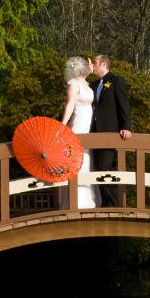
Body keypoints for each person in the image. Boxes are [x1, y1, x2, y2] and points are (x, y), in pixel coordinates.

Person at [89, 55, 132, 208]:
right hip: (94, 133)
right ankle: (105, 203)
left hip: (109, 132)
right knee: (98, 168)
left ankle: (114, 205)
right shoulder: (92, 84)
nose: (92, 65)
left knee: (105, 168)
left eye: (94, 63)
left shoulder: (116, 81)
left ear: (103, 64)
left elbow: (123, 104)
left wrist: (126, 126)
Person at [60, 56, 99, 209]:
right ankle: (75, 202)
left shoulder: (86, 83)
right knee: (77, 157)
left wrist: (90, 68)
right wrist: (63, 125)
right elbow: (69, 105)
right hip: (78, 123)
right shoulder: (73, 84)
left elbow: (88, 73)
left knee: (86, 158)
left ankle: (87, 201)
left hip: (88, 122)